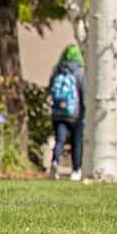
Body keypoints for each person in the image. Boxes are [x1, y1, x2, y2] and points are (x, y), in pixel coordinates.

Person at [48, 44, 86, 181]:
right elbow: (83, 93)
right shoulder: (79, 72)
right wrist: (84, 111)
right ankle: (76, 170)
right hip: (75, 114)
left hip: (58, 113)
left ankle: (54, 163)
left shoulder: (57, 70)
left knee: (59, 141)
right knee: (76, 142)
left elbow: (50, 89)